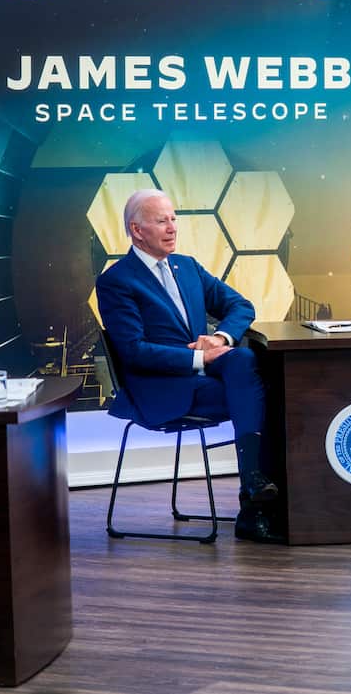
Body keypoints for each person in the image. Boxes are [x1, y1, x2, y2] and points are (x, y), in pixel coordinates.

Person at [96, 188, 281, 543]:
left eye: (173, 219)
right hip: (163, 389)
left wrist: (222, 338)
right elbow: (133, 351)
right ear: (137, 230)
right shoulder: (116, 281)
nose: (172, 228)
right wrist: (199, 357)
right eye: (161, 221)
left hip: (206, 380)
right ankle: (255, 508)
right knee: (266, 398)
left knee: (244, 358)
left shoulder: (188, 267)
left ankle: (254, 488)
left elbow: (241, 306)